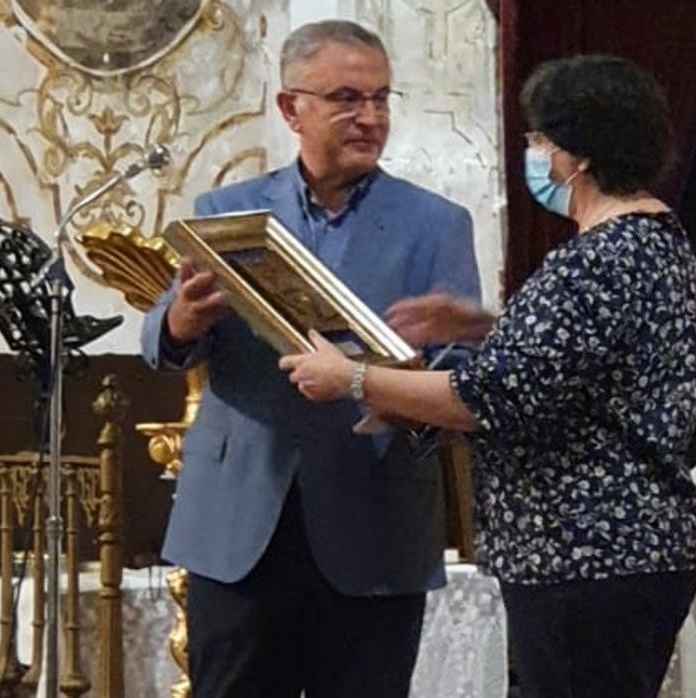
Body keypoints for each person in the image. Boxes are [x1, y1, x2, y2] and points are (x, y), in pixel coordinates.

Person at [280, 54, 696, 698]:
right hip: (622, 549)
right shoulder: (656, 244)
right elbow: (587, 362)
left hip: (583, 549)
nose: (534, 153)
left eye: (540, 139)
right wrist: (484, 327)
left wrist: (352, 378)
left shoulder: (596, 260)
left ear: (579, 155)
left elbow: (488, 398)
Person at [140, 20, 480, 698]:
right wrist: (181, 319)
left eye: (382, 99)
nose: (371, 117)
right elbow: (162, 341)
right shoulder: (228, 210)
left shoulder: (436, 223)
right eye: (347, 98)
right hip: (239, 529)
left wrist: (396, 380)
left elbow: (459, 375)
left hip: (373, 523)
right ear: (291, 108)